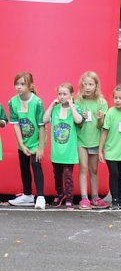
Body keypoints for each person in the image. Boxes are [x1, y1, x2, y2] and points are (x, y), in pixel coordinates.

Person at [7, 72, 47, 209]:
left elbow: (42, 127)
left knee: (36, 165)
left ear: (30, 85)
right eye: (17, 84)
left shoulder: (37, 102)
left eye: (22, 84)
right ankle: (28, 195)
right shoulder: (12, 102)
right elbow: (16, 125)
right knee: (24, 167)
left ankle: (40, 197)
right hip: (23, 141)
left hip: (36, 141)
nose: (19, 87)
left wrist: (41, 148)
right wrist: (22, 144)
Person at [43, 82, 83, 210]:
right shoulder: (55, 109)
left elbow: (78, 120)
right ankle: (60, 194)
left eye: (65, 94)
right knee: (57, 174)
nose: (62, 96)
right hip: (57, 151)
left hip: (69, 151)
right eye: (59, 94)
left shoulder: (76, 108)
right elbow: (44, 120)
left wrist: (71, 105)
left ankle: (69, 197)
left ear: (71, 95)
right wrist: (52, 104)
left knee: (68, 175)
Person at [75, 71, 108, 209]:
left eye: (91, 84)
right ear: (81, 85)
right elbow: (78, 123)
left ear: (96, 86)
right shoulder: (77, 101)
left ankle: (95, 197)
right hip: (81, 140)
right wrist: (81, 118)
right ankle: (84, 198)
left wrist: (101, 119)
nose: (88, 87)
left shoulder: (101, 102)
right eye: (85, 84)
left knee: (93, 169)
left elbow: (101, 127)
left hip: (95, 140)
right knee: (83, 168)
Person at [98, 84, 121, 210]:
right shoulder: (110, 112)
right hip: (110, 149)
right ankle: (114, 199)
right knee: (114, 173)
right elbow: (104, 131)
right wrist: (100, 150)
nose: (117, 100)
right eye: (116, 98)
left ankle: (120, 198)